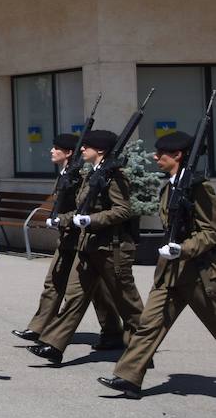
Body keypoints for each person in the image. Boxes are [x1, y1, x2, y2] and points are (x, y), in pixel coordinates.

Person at [101, 130, 216, 398]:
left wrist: (183, 248)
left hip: (199, 273)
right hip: (170, 272)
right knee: (149, 324)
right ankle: (128, 377)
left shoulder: (200, 188)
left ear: (177, 155)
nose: (155, 157)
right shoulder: (170, 186)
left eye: (161, 153)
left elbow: (211, 231)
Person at [29, 130, 145, 365]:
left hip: (112, 248)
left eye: (87, 146)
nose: (82, 149)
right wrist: (64, 219)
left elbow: (124, 210)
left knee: (128, 303)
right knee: (75, 297)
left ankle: (142, 350)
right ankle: (54, 345)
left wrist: (93, 220)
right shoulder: (93, 174)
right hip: (88, 246)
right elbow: (83, 209)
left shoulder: (115, 176)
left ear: (100, 150)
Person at [12, 133, 124, 346]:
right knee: (57, 282)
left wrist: (63, 220)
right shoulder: (67, 174)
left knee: (92, 289)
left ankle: (114, 332)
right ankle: (38, 328)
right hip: (68, 237)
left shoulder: (79, 177)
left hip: (80, 236)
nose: (51, 151)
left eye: (57, 148)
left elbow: (83, 208)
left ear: (68, 152)